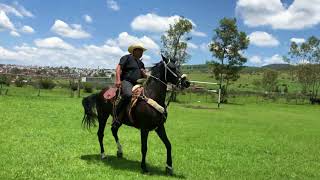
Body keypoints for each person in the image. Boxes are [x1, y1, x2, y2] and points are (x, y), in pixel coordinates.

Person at [113, 43, 147, 125]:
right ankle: (116, 114)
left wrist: (144, 73)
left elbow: (145, 75)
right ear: (134, 51)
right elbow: (118, 68)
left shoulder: (141, 63)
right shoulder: (126, 57)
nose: (142, 53)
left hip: (138, 83)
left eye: (142, 51)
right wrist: (118, 80)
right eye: (140, 51)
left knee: (146, 96)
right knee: (128, 95)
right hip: (127, 81)